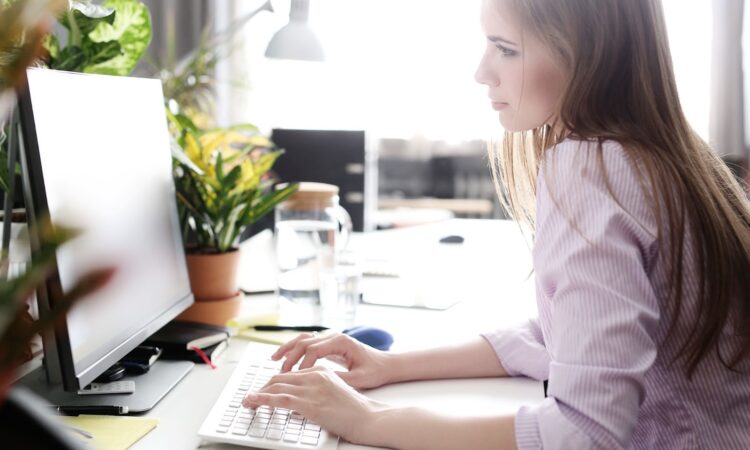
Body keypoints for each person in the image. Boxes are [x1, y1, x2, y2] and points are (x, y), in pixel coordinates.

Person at [242, 0, 750, 448]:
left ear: (586, 53)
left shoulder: (592, 171)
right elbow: (568, 336)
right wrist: (390, 366)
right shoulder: (662, 159)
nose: (482, 71)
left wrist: (370, 421)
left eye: (505, 48)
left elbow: (583, 433)